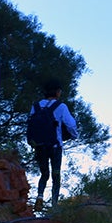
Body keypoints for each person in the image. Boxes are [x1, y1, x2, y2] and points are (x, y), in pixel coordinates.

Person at [28, 81, 78, 211]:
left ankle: (39, 197)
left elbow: (31, 125)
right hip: (55, 146)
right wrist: (74, 135)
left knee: (44, 174)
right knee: (56, 174)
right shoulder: (61, 106)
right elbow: (71, 124)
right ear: (57, 92)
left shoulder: (36, 106)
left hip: (39, 145)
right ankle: (54, 205)